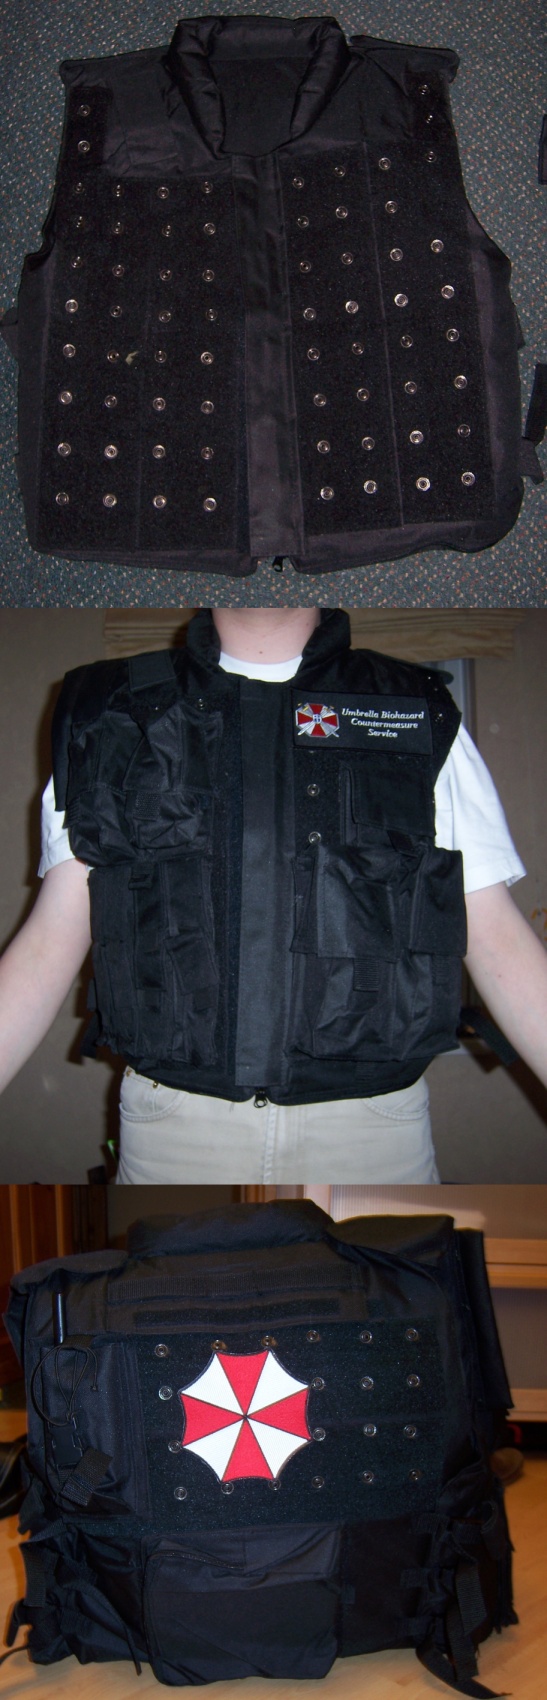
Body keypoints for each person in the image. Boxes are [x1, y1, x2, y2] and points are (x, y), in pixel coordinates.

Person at [0, 607, 546, 1185]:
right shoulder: (112, 709)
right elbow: (49, 941)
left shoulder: (411, 706)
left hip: (372, 1133)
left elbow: (498, 940)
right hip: (173, 1131)